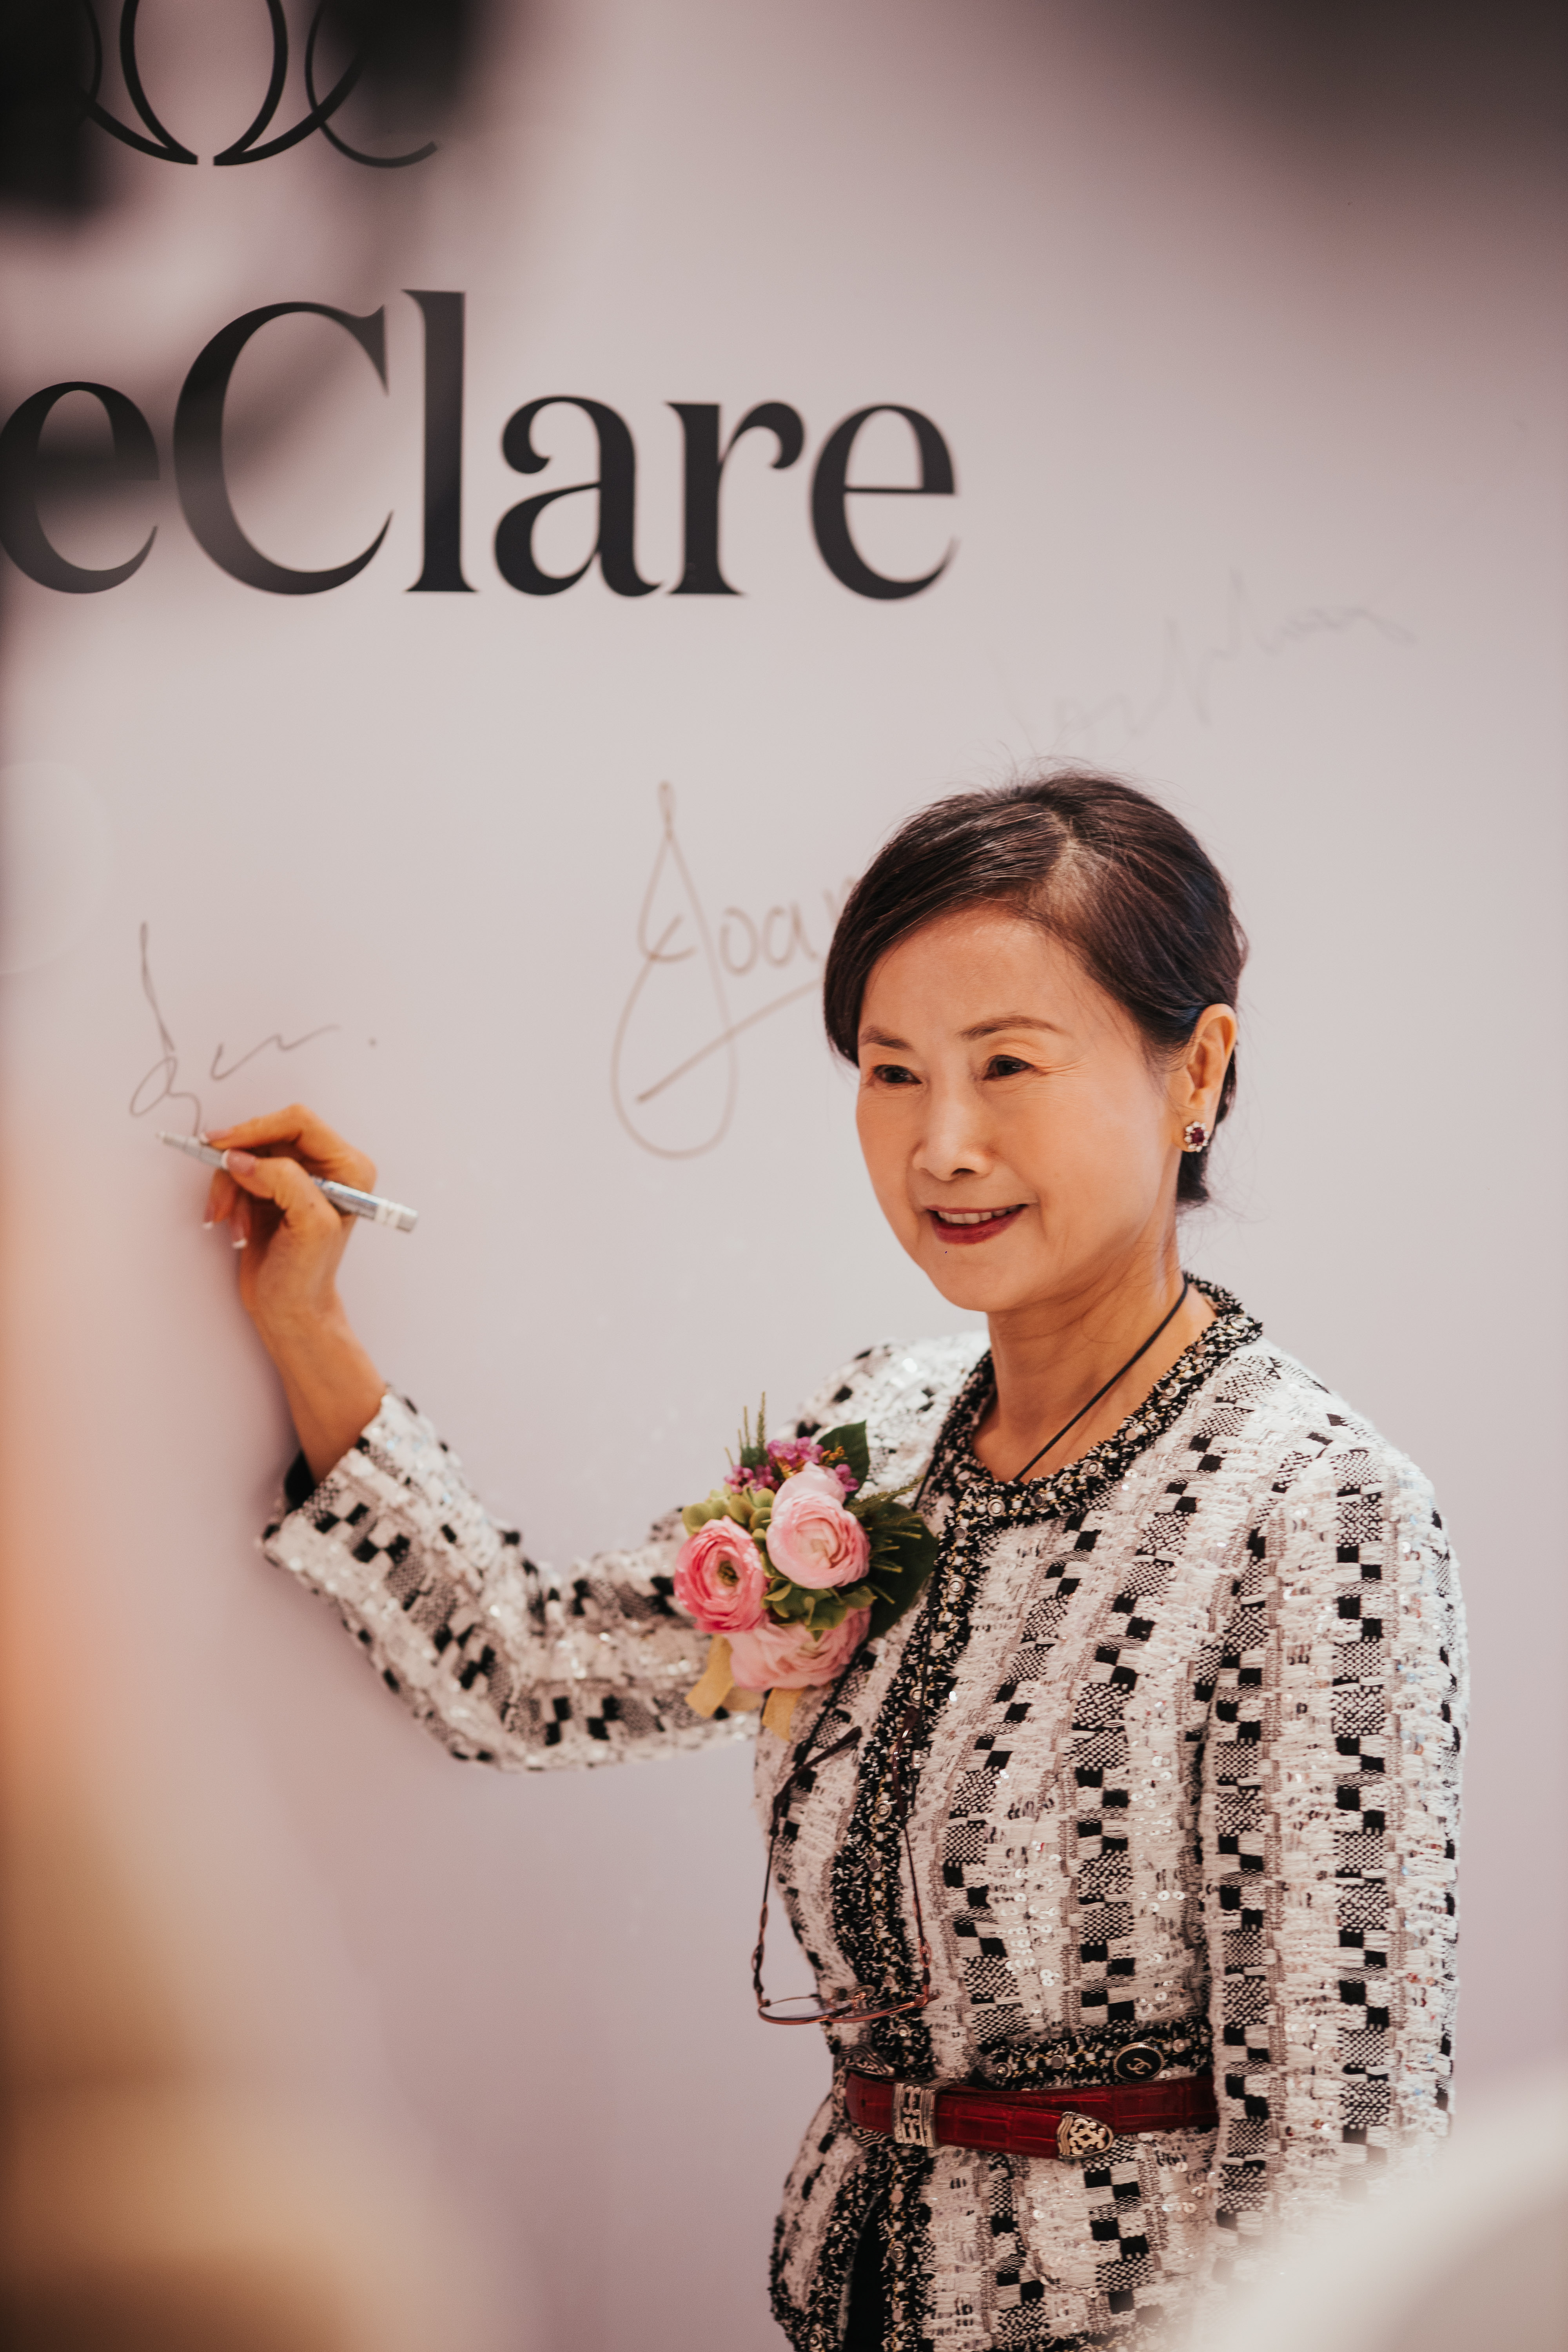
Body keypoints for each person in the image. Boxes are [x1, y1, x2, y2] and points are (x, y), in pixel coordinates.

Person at [198, 771, 1465, 2352]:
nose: (943, 1144)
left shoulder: (1313, 1507)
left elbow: (1344, 2162)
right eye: (890, 1072)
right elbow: (534, 1675)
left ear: (1194, 1069)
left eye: (1007, 1065)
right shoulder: (879, 1433)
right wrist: (309, 1327)